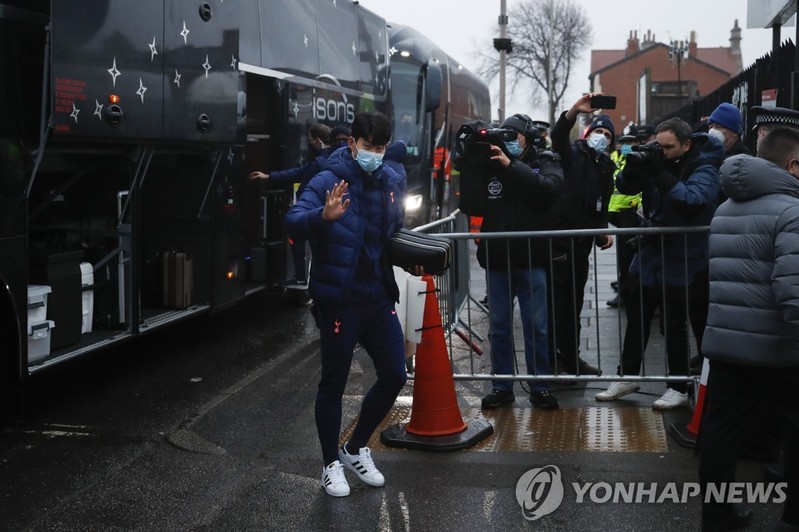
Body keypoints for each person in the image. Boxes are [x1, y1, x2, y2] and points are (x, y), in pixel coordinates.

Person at [285, 112, 409, 497]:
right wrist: (323, 217)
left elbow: (393, 233)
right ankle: (330, 464)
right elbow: (293, 220)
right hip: (338, 300)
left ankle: (354, 448)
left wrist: (413, 256)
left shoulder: (390, 181)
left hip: (377, 296)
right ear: (352, 143)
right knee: (333, 384)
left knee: (395, 374)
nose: (375, 154)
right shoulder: (327, 178)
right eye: (369, 146)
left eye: (382, 147)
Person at [698, 126, 799, 530]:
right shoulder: (792, 212)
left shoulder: (725, 209)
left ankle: (716, 516)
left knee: (720, 433)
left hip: (726, 345)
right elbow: (793, 290)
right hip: (780, 348)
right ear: (793, 165)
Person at [595, 118, 723, 409]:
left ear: (686, 144)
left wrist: (660, 172)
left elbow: (693, 201)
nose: (663, 152)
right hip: (651, 254)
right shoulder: (657, 158)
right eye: (660, 146)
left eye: (669, 147)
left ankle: (678, 387)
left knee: (673, 324)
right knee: (637, 319)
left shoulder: (703, 166)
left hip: (683, 257)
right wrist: (635, 167)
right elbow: (625, 187)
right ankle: (626, 376)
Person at [474, 113, 564, 410]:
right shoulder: (490, 164)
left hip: (532, 258)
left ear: (528, 137)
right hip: (498, 259)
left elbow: (549, 189)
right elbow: (469, 203)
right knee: (499, 326)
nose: (509, 141)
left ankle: (539, 386)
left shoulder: (545, 160)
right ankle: (502, 385)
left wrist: (511, 166)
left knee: (536, 326)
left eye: (515, 136)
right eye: (505, 135)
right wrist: (472, 155)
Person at [549, 93, 617, 376]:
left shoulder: (605, 167)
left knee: (574, 303)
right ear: (588, 133)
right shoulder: (573, 155)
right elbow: (558, 136)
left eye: (607, 134)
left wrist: (602, 230)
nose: (602, 137)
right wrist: (573, 112)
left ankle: (570, 357)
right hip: (560, 242)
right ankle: (549, 359)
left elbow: (601, 202)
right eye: (598, 131)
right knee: (556, 303)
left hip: (582, 246)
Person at [689, 103, 750, 373]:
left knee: (718, 304)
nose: (714, 131)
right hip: (704, 243)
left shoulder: (742, 159)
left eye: (721, 127)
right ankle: (703, 352)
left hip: (726, 241)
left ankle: (716, 358)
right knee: (698, 301)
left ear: (734, 132)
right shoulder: (703, 154)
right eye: (712, 125)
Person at [250, 123, 333, 286]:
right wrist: (269, 176)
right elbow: (298, 173)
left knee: (298, 237)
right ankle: (307, 277)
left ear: (317, 141)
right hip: (321, 210)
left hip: (312, 210)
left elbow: (301, 176)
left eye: (310, 140)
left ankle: (302, 277)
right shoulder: (329, 158)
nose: (309, 144)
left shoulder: (318, 162)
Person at [607, 123, 642, 308]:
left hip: (631, 214)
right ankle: (624, 288)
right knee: (622, 257)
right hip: (617, 215)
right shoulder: (615, 158)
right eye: (623, 141)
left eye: (630, 141)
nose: (626, 145)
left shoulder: (638, 160)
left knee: (628, 257)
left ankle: (627, 294)